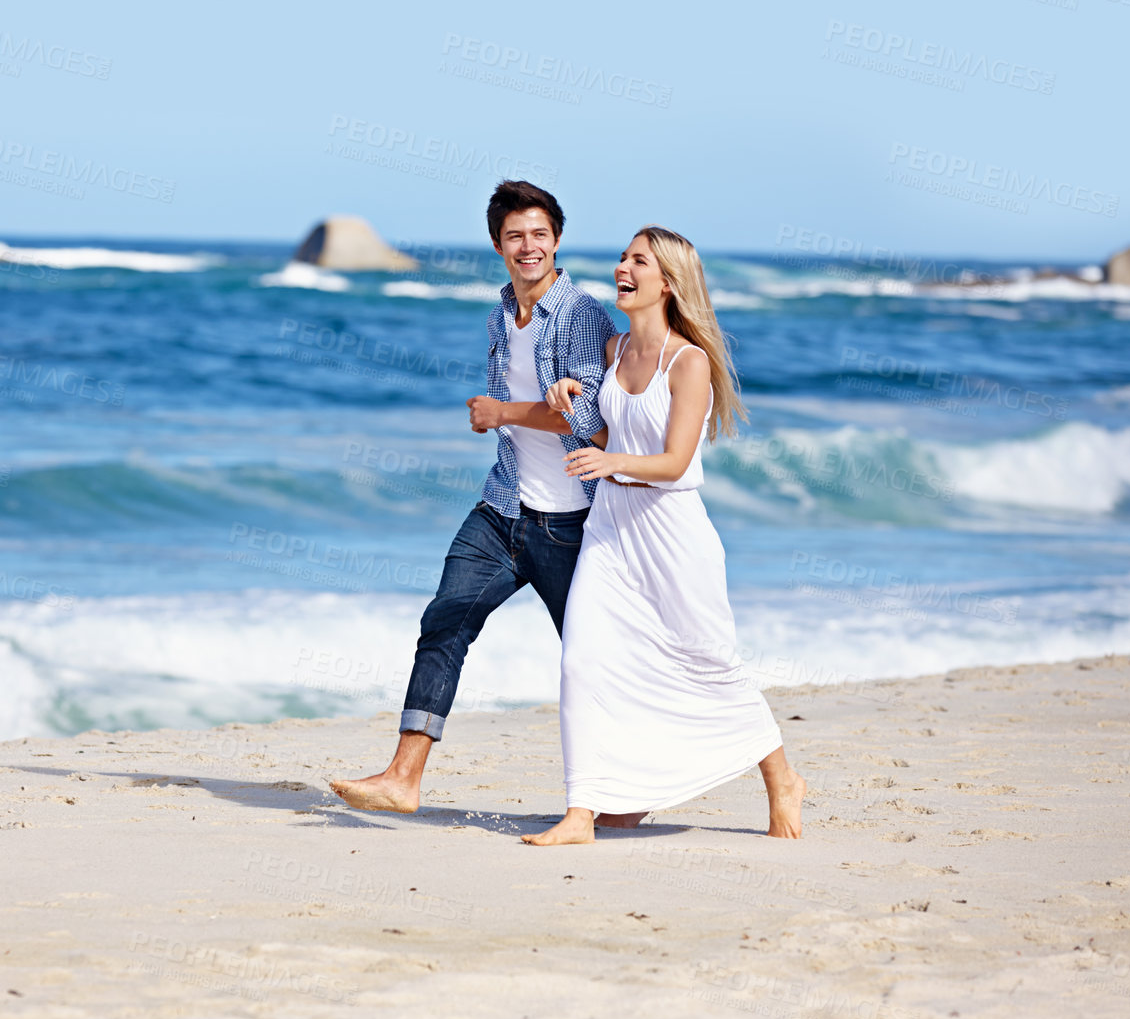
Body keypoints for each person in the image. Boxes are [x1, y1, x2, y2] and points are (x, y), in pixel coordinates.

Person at [330, 181, 616, 814]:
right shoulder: (498, 315)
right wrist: (505, 419)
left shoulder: (581, 316)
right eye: (516, 236)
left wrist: (500, 412)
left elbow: (593, 424)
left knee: (594, 660)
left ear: (558, 240)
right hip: (503, 506)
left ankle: (627, 791)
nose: (529, 246)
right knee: (445, 621)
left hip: (570, 522)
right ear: (497, 245)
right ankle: (404, 776)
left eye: (540, 234)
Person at [520, 226, 807, 845]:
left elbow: (675, 461)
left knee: (710, 661)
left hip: (672, 535)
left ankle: (782, 779)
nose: (623, 267)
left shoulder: (690, 361)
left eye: (638, 261)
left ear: (668, 284)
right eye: (623, 257)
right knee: (586, 659)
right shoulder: (615, 349)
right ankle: (583, 810)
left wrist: (612, 461)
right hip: (612, 530)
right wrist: (571, 408)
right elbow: (607, 439)